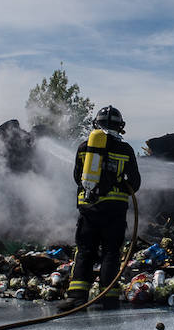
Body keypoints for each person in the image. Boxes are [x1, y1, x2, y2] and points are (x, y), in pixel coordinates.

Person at [57, 105, 141, 311]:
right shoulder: (126, 150)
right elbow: (135, 182)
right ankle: (108, 297)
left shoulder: (85, 147)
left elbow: (78, 178)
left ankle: (77, 297)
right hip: (115, 211)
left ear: (97, 124)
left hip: (89, 210)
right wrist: (119, 184)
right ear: (120, 126)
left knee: (85, 250)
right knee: (111, 252)